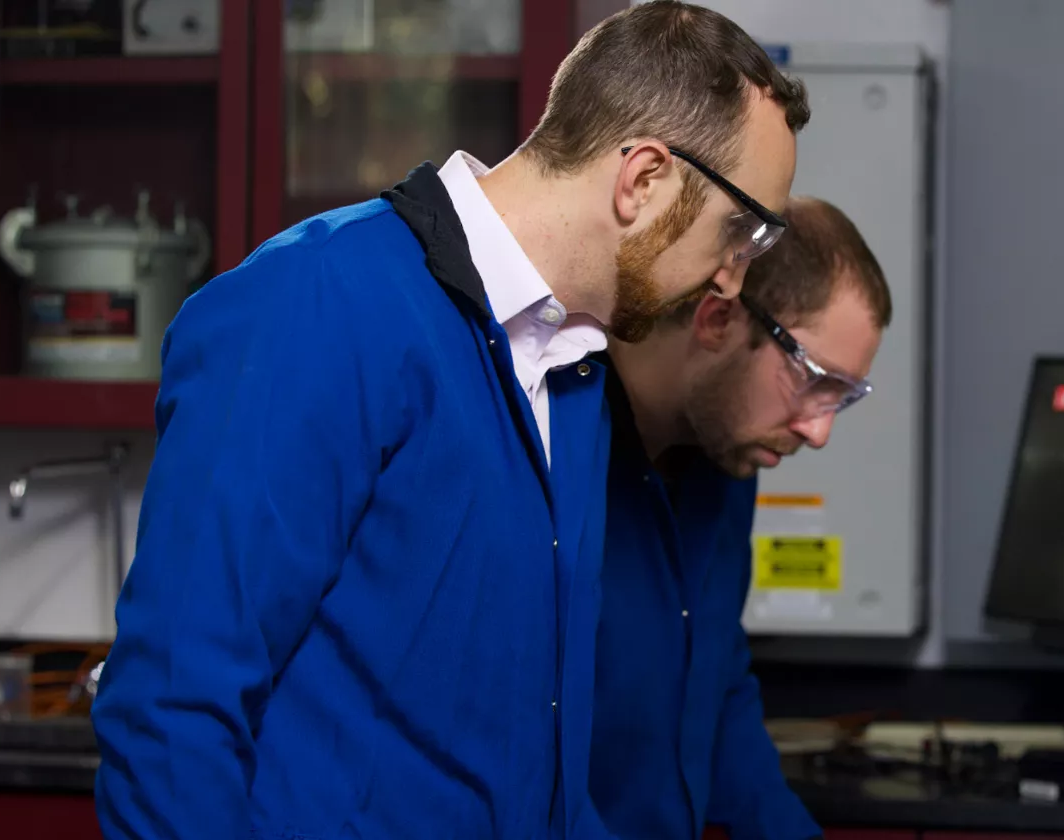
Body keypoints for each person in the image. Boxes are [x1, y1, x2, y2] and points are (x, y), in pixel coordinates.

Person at [90, 3, 811, 838]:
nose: (731, 281)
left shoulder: (573, 376)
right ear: (643, 179)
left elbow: (543, 769)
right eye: (741, 231)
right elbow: (173, 713)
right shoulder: (315, 305)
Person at [592, 197, 890, 840]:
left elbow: (715, 684)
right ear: (719, 318)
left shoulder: (725, 457)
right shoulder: (554, 451)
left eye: (843, 398)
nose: (819, 431)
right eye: (814, 380)